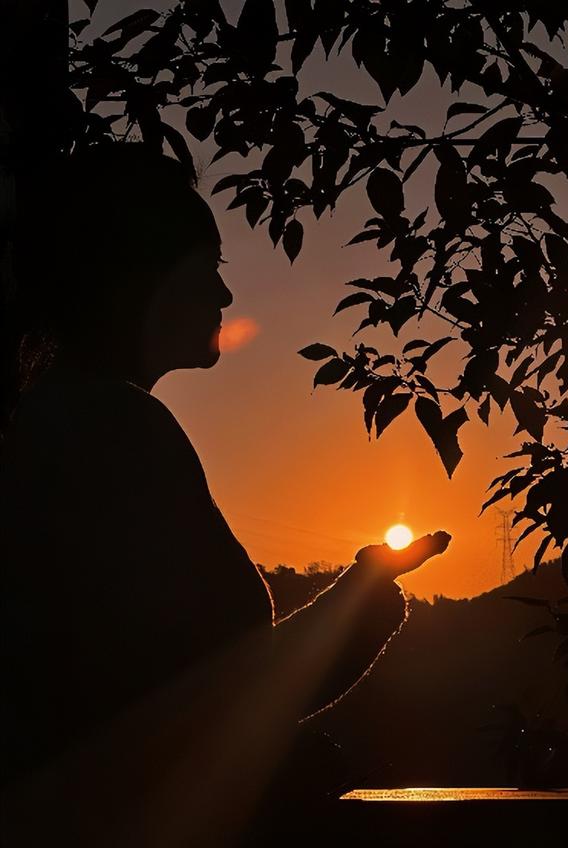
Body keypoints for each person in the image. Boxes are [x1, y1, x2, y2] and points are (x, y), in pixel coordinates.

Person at [0, 145, 451, 846]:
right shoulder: (111, 429)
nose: (226, 296)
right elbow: (215, 704)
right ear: (138, 278)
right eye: (208, 268)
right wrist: (363, 597)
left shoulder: (55, 421)